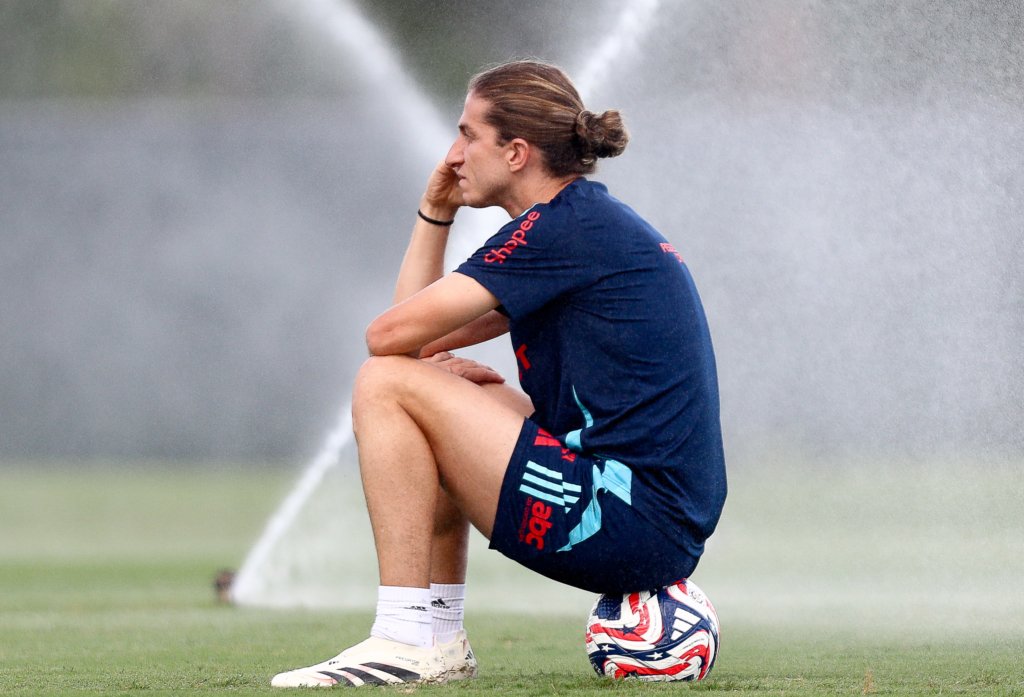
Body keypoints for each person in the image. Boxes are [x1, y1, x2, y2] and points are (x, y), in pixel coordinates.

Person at [271, 59, 727, 688]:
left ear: (516, 152)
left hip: (627, 522)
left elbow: (388, 340)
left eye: (468, 135)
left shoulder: (559, 232)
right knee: (415, 388)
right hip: (648, 521)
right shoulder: (576, 225)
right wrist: (437, 211)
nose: (453, 155)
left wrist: (425, 365)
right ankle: (435, 638)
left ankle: (405, 638)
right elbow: (413, 343)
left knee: (383, 386)